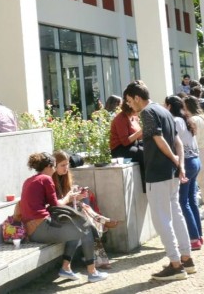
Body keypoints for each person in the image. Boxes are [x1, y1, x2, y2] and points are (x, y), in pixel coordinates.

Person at [123, 81, 194, 281]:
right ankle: (186, 259)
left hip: (158, 173)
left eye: (130, 101)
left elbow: (159, 140)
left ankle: (175, 264)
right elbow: (177, 141)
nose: (129, 105)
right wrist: (179, 163)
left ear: (137, 98)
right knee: (175, 213)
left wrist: (175, 161)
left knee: (161, 219)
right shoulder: (165, 112)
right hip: (171, 172)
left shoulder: (147, 113)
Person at [19, 152, 109, 283]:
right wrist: (69, 197)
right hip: (42, 228)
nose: (55, 170)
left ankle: (66, 268)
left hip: (32, 230)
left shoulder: (29, 180)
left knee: (76, 230)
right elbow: (56, 204)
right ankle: (92, 272)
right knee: (86, 230)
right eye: (55, 166)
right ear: (49, 166)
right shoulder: (46, 179)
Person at [165, 96, 203, 251]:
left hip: (186, 162)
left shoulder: (175, 121)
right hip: (195, 160)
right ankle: (198, 235)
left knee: (183, 202)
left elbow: (173, 142)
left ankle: (193, 238)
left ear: (169, 106)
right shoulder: (187, 120)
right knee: (191, 201)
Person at [51, 150, 118, 230]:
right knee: (81, 205)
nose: (66, 167)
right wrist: (73, 198)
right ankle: (99, 221)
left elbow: (67, 193)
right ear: (54, 166)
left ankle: (99, 222)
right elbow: (57, 201)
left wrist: (77, 195)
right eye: (62, 165)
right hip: (57, 209)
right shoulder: (50, 179)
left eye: (67, 164)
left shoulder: (65, 176)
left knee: (86, 196)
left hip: (65, 203)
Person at [184, 96, 204, 219]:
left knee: (198, 182)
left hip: (197, 151)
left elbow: (192, 138)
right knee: (202, 181)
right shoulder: (202, 118)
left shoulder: (193, 120)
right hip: (203, 150)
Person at [109, 101, 146, 186]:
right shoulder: (120, 119)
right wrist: (141, 131)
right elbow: (125, 141)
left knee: (150, 150)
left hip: (133, 145)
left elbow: (140, 137)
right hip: (120, 149)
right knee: (143, 154)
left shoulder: (134, 118)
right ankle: (145, 184)